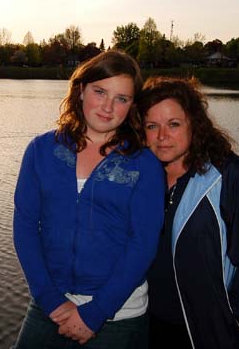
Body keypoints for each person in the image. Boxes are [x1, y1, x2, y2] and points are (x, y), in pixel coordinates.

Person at [12, 50, 165, 348]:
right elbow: (26, 228)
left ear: (132, 105)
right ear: (81, 90)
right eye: (100, 92)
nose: (108, 107)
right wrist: (51, 301)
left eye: (121, 98)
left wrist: (95, 313)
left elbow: (142, 245)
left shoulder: (143, 163)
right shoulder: (41, 150)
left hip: (117, 315)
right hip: (50, 306)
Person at [137, 77, 239, 349]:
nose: (161, 136)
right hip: (147, 328)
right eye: (151, 126)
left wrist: (233, 319)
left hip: (209, 334)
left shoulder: (233, 179)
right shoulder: (142, 177)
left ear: (194, 124)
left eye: (173, 124)